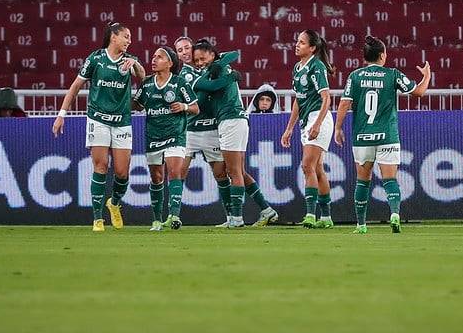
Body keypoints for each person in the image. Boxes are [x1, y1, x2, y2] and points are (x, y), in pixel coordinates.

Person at [52, 22, 145, 231]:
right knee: (101, 166)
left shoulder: (129, 60)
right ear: (114, 37)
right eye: (126, 36)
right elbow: (75, 87)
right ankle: (97, 218)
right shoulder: (96, 59)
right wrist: (61, 115)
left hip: (122, 121)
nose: (129, 41)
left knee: (122, 173)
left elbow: (143, 77)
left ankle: (113, 203)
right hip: (98, 120)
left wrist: (135, 64)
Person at [334, 36, 431, 234]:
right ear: (381, 56)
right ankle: (394, 213)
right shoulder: (392, 74)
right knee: (390, 180)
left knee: (363, 181)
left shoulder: (355, 76)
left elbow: (344, 103)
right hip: (387, 135)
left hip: (362, 137)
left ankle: (361, 225)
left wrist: (337, 128)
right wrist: (427, 76)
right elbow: (419, 92)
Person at [192, 43, 278, 228]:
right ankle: (267, 210)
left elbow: (233, 53)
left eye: (202, 58)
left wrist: (220, 65)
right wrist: (228, 75)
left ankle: (237, 219)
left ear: (212, 55)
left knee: (233, 172)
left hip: (231, 120)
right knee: (240, 170)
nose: (199, 62)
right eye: (196, 60)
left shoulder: (220, 67)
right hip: (235, 120)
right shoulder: (211, 74)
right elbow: (210, 85)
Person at [133, 47, 198, 231]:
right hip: (153, 135)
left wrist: (184, 106)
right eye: (153, 56)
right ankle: (156, 219)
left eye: (159, 57)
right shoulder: (146, 84)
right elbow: (136, 105)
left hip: (175, 134)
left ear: (170, 63)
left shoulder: (179, 83)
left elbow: (195, 108)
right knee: (156, 178)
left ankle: (174, 215)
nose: (154, 59)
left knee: (174, 172)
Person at [280, 30, 335, 228]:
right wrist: (289, 128)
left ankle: (311, 214)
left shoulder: (316, 66)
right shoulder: (297, 67)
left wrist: (318, 125)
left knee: (306, 166)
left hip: (318, 118)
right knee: (317, 168)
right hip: (306, 120)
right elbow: (298, 100)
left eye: (302, 42)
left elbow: (326, 98)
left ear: (312, 48)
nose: (297, 44)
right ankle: (327, 218)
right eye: (297, 41)